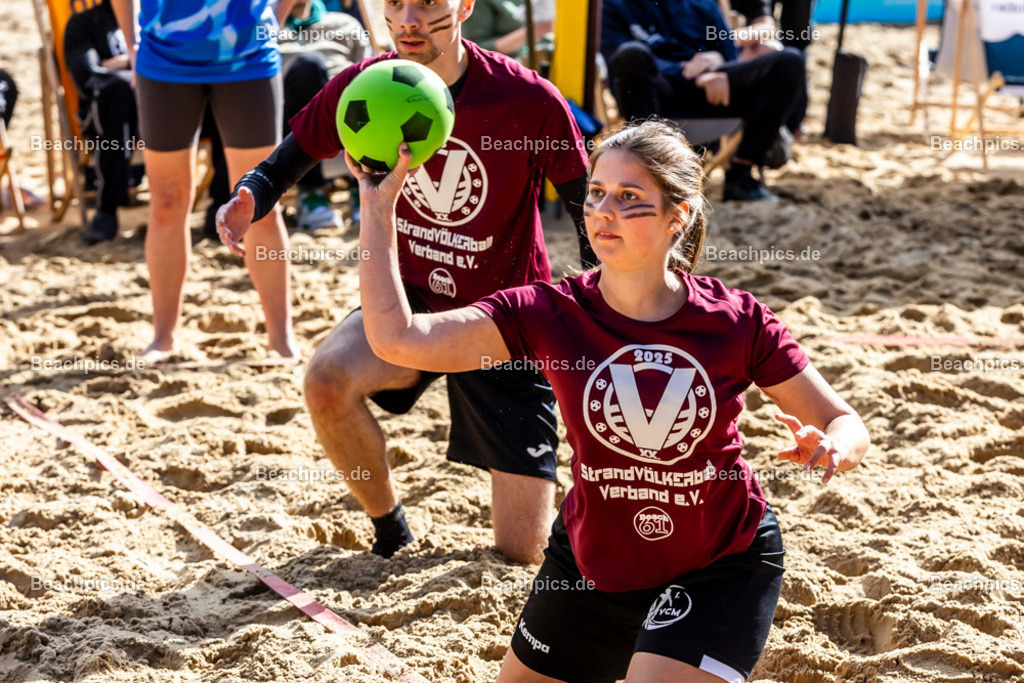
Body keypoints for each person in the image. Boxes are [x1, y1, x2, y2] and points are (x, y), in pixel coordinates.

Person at [348, 120, 869, 681]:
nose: (602, 210)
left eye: (629, 198)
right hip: (590, 563)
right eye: (596, 193)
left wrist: (833, 447)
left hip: (718, 566)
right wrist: (378, 215)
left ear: (679, 216)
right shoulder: (548, 312)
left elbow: (843, 420)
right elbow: (398, 339)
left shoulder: (735, 321)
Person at [216, 0, 596, 563]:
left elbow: (586, 208)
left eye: (428, 3)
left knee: (521, 555)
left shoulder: (527, 97)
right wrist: (250, 194)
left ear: (464, 6)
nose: (410, 19)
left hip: (504, 322)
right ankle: (390, 531)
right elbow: (285, 162)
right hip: (409, 304)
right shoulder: (365, 88)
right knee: (325, 382)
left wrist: (600, 314)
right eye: (396, 4)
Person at [111, 0, 299, 359]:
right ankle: (163, 337)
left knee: (260, 203)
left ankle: (281, 338)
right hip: (162, 59)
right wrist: (131, 43)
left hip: (248, 56)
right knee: (166, 203)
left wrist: (275, 17)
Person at [600, 0, 807, 201]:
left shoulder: (701, 3)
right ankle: (650, 173)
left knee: (789, 60)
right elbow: (614, 59)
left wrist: (716, 61)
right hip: (657, 93)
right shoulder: (612, 6)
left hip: (713, 90)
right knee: (632, 56)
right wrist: (692, 74)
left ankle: (741, 173)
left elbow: (729, 53)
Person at [279, 0, 372, 229]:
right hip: (291, 137)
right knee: (309, 67)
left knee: (369, 82)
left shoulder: (345, 24)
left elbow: (372, 77)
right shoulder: (263, 30)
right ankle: (311, 193)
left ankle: (365, 187)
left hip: (348, 132)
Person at [64, 0, 138, 244]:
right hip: (110, 114)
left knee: (220, 83)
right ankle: (107, 210)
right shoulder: (83, 23)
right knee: (116, 92)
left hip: (161, 107)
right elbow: (87, 75)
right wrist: (134, 61)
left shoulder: (157, 19)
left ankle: (221, 199)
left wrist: (118, 62)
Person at [461, 0, 553, 56]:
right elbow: (476, 49)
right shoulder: (480, 3)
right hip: (512, 69)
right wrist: (533, 32)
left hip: (551, 54)